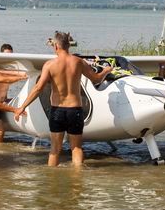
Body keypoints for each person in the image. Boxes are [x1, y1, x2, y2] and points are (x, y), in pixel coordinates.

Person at [14, 31, 112, 166]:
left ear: (56, 46)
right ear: (68, 45)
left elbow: (38, 88)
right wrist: (106, 71)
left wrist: (22, 107)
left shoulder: (49, 65)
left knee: (54, 149)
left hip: (57, 111)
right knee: (76, 148)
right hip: (75, 110)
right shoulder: (79, 62)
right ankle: (77, 184)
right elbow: (96, 79)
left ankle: (53, 184)